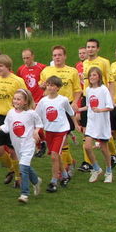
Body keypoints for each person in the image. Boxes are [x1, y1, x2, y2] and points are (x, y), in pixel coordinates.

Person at [0, 89, 43, 204]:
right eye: (14, 99)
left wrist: (36, 131)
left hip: (28, 144)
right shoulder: (11, 113)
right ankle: (36, 181)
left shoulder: (31, 113)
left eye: (19, 99)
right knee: (25, 167)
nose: (16, 101)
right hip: (17, 145)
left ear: (25, 101)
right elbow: (6, 127)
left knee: (23, 168)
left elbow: (39, 124)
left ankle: (24, 194)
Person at [39, 45, 82, 173]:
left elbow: (78, 90)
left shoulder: (72, 71)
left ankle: (66, 164)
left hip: (65, 105)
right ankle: (68, 162)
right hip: (52, 107)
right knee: (61, 140)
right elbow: (42, 86)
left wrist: (75, 102)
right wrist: (42, 86)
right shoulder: (46, 71)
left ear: (65, 56)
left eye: (59, 55)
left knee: (63, 137)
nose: (57, 57)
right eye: (55, 55)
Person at [36, 76, 77, 193]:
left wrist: (76, 125)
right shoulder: (43, 101)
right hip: (49, 131)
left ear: (58, 88)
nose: (50, 87)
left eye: (53, 85)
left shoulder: (63, 100)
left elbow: (71, 112)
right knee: (56, 155)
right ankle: (65, 175)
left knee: (54, 156)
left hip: (61, 131)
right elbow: (36, 115)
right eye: (48, 85)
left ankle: (53, 181)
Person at [0, 54, 27, 187]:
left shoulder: (17, 81)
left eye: (1, 66)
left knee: (13, 151)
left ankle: (18, 177)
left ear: (8, 67)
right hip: (0, 118)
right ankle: (12, 169)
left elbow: (25, 97)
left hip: (14, 117)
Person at [78, 67, 114, 183]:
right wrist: (78, 109)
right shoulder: (88, 90)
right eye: (90, 75)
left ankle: (109, 171)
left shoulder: (104, 90)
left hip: (102, 123)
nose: (92, 77)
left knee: (104, 149)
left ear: (99, 77)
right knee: (87, 146)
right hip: (92, 122)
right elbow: (89, 105)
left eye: (94, 75)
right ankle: (96, 168)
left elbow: (110, 106)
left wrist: (100, 110)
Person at [16, 48, 47, 157]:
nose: (26, 60)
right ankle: (39, 143)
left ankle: (41, 144)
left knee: (36, 123)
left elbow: (46, 82)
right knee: (29, 123)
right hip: (27, 100)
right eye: (24, 58)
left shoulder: (42, 68)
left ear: (33, 56)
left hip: (39, 100)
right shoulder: (21, 69)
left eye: (28, 58)